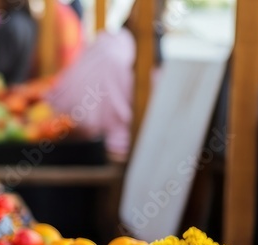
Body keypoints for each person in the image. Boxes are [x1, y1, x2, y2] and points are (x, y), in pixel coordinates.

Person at [44, 0, 166, 160]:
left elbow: (62, 100)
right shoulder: (141, 60)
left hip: (78, 139)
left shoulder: (108, 44)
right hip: (110, 146)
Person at [0, 0, 37, 85]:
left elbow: (1, 66)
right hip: (21, 84)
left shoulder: (10, 24)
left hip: (7, 87)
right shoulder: (26, 20)